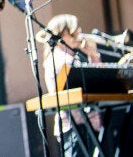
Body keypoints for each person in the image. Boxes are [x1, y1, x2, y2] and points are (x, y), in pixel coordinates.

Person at [35, 14, 103, 157]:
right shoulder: (59, 58)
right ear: (62, 33)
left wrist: (93, 55)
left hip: (86, 121)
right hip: (73, 124)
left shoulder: (72, 57)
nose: (77, 33)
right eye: (73, 30)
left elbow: (97, 80)